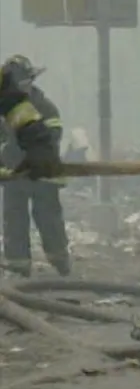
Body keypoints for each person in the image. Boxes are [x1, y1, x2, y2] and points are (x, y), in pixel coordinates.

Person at [0, 54, 70, 277]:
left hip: (43, 175)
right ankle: (18, 264)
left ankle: (59, 260)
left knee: (48, 218)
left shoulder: (45, 107)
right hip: (14, 174)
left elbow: (53, 136)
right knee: (14, 219)